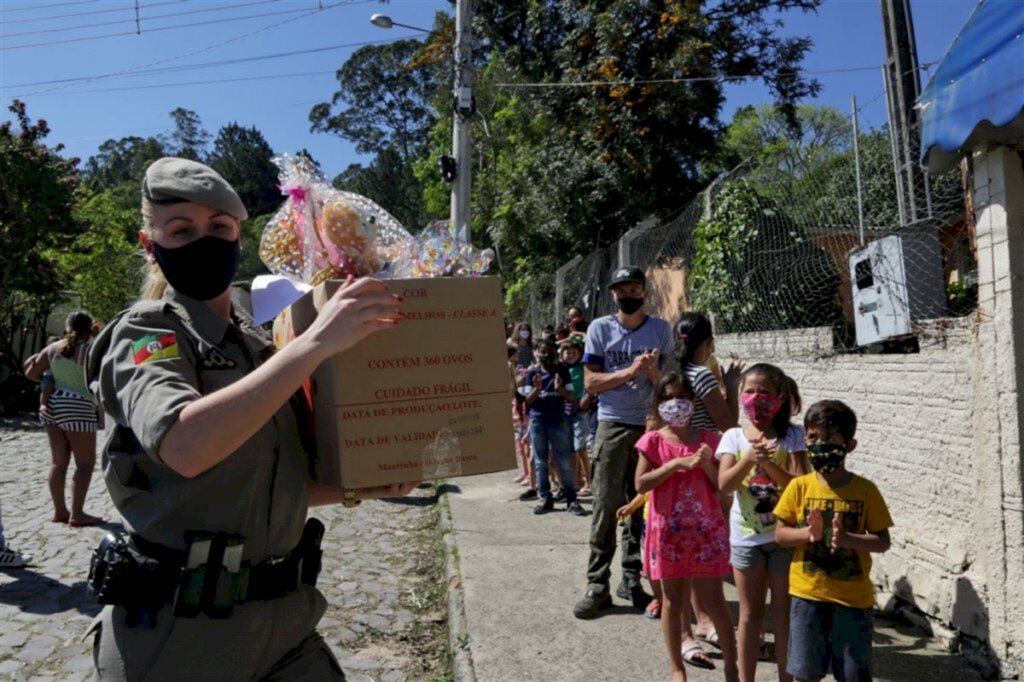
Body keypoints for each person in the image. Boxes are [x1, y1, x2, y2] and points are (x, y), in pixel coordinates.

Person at [84, 157, 416, 680]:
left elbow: (260, 481)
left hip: (285, 623)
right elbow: (186, 446)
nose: (203, 241)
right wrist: (314, 344)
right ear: (150, 244)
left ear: (238, 237)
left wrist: (362, 486)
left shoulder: (257, 342)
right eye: (181, 230)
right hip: (181, 638)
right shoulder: (147, 334)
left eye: (218, 227)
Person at [573, 266, 674, 619]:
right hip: (612, 425)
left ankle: (631, 579)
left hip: (648, 428)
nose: (627, 295)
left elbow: (670, 385)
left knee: (638, 506)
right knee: (605, 506)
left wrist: (652, 373)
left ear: (644, 292)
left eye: (633, 288)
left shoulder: (661, 330)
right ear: (613, 294)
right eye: (621, 290)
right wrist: (630, 372)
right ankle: (597, 584)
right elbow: (591, 383)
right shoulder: (601, 329)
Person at [775, 400, 893, 682]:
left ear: (849, 445)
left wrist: (849, 539)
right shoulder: (799, 487)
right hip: (807, 596)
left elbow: (882, 541)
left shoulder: (866, 490)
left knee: (853, 675)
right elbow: (780, 535)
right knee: (805, 673)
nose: (820, 445)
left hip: (853, 601)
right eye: (813, 437)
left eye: (829, 438)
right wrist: (809, 533)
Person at [636, 373, 737, 682]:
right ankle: (676, 668)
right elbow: (641, 483)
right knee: (672, 602)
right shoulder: (653, 441)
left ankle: (732, 668)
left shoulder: (711, 440)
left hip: (705, 532)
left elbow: (723, 485)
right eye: (667, 397)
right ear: (658, 402)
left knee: (715, 602)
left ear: (692, 401)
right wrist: (673, 465)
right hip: (669, 533)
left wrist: (706, 463)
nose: (675, 403)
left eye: (681, 396)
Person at [717, 364, 809, 682]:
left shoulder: (793, 436)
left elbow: (800, 485)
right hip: (746, 539)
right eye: (749, 391)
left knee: (783, 615)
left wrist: (769, 465)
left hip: (783, 538)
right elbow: (725, 484)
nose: (756, 397)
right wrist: (749, 459)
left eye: (765, 392)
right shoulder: (733, 437)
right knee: (749, 615)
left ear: (780, 397)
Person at [24, 311, 105, 527]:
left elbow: (31, 373)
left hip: (53, 404)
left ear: (68, 327)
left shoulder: (53, 348)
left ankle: (60, 511)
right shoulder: (90, 350)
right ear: (90, 327)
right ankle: (77, 514)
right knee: (85, 463)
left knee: (58, 463)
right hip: (78, 405)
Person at [525, 336, 585, 516]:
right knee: (540, 461)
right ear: (537, 353)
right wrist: (537, 389)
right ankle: (545, 498)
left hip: (558, 420)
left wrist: (560, 389)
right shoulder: (532, 373)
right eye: (543, 352)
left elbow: (571, 396)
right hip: (538, 420)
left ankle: (571, 499)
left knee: (564, 461)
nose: (546, 355)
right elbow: (528, 400)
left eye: (550, 351)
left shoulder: (562, 371)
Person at [559, 333, 592, 496]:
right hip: (566, 410)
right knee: (571, 448)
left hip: (580, 411)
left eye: (574, 352)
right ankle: (575, 481)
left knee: (580, 447)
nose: (570, 355)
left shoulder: (583, 368)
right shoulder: (561, 369)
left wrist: (586, 400)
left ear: (579, 354)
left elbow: (589, 386)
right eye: (568, 352)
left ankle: (589, 481)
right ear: (562, 354)